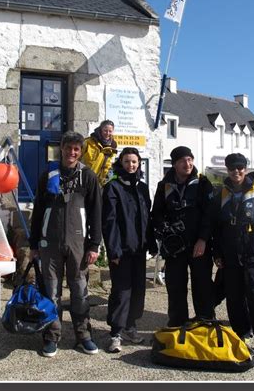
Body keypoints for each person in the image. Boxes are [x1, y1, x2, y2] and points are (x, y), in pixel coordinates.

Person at [29, 131, 102, 358]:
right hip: (49, 244)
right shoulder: (47, 176)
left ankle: (84, 336)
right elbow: (38, 211)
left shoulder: (88, 177)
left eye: (76, 149)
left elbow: (96, 213)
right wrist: (33, 244)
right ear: (61, 148)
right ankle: (52, 337)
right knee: (51, 293)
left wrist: (94, 244)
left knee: (79, 292)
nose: (72, 153)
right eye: (68, 148)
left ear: (80, 152)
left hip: (78, 244)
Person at [211, 153, 254, 359]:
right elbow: (216, 227)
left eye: (240, 168)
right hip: (231, 254)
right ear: (227, 170)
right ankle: (243, 334)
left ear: (245, 169)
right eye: (232, 168)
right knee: (235, 298)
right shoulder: (221, 194)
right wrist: (217, 253)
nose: (236, 172)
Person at [151, 146, 215, 327]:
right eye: (182, 161)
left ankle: (205, 321)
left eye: (190, 159)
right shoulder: (164, 185)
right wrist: (163, 229)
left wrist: (203, 239)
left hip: (199, 244)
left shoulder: (203, 183)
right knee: (176, 286)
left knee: (202, 285)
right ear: (174, 164)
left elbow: (209, 215)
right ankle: (177, 322)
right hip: (175, 246)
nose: (187, 164)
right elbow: (156, 213)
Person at [102, 147, 157, 353]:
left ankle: (130, 327)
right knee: (121, 291)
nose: (131, 165)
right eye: (127, 162)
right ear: (121, 163)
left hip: (139, 250)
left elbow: (147, 219)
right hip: (122, 251)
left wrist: (151, 243)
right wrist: (113, 251)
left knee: (137, 290)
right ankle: (116, 332)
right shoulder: (113, 187)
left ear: (139, 164)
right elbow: (110, 223)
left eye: (134, 162)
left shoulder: (142, 188)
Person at [81, 120, 118, 187]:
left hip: (102, 184)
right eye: (105, 130)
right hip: (86, 180)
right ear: (100, 130)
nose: (107, 133)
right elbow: (77, 159)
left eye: (110, 131)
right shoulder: (88, 142)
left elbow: (112, 165)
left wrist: (109, 180)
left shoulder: (113, 146)